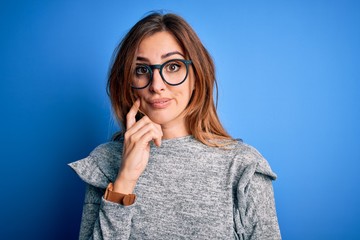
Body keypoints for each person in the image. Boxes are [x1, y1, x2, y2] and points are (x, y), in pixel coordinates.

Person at [69, 12, 281, 240]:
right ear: (129, 84)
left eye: (173, 66)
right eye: (142, 70)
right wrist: (125, 178)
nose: (157, 85)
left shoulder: (243, 166)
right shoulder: (105, 163)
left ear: (196, 77)